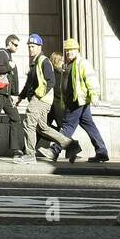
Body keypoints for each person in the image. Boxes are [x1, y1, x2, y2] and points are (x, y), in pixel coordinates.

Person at [15, 34, 81, 162]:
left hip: (40, 99)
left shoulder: (44, 61)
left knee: (29, 123)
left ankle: (29, 154)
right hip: (42, 99)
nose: (30, 49)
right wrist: (20, 97)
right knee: (42, 128)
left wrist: (38, 95)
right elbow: (29, 83)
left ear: (40, 47)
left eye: (33, 46)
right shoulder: (34, 63)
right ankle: (70, 144)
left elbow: (51, 81)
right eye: (29, 46)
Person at [53, 37, 110, 164]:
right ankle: (102, 151)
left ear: (77, 50)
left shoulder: (82, 63)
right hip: (75, 101)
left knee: (67, 126)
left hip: (78, 100)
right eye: (67, 50)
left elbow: (91, 79)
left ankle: (55, 150)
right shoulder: (68, 65)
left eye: (71, 50)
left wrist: (94, 94)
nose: (69, 52)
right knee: (89, 125)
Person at [47, 51, 67, 130]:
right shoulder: (57, 74)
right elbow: (58, 90)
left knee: (44, 127)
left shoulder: (51, 72)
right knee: (62, 128)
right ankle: (61, 141)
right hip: (57, 105)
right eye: (61, 60)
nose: (63, 62)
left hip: (51, 104)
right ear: (57, 61)